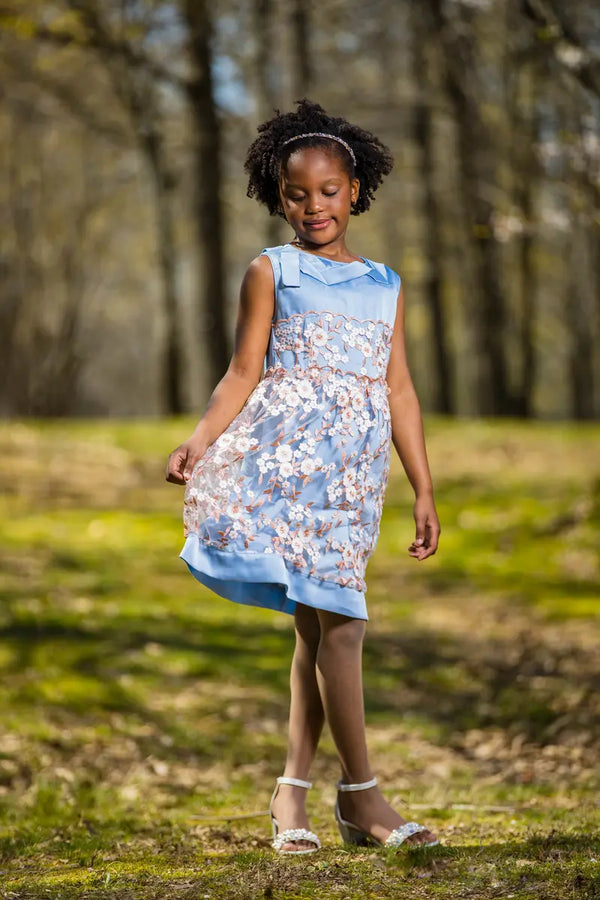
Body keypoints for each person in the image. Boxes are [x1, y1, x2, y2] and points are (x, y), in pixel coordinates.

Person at [166, 99, 441, 855]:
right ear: (276, 194)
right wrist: (198, 441)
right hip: (287, 469)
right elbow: (242, 371)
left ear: (355, 189)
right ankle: (365, 798)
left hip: (352, 480)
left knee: (318, 630)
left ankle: (292, 795)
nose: (313, 206)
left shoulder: (386, 283)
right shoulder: (271, 270)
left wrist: (422, 487)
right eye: (296, 193)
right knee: (341, 626)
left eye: (328, 190)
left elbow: (401, 392)